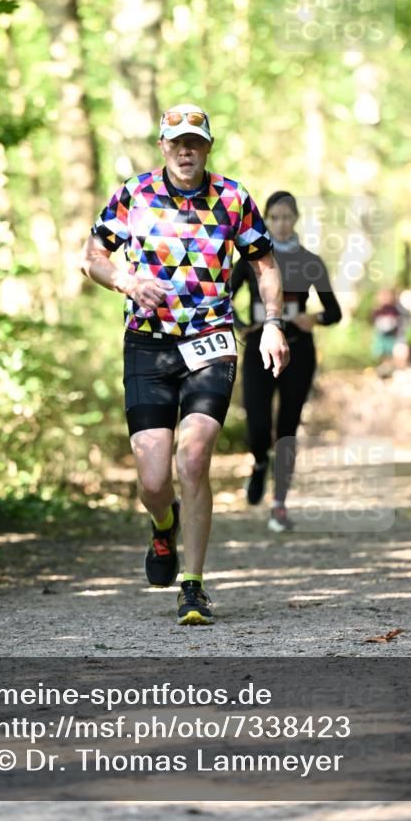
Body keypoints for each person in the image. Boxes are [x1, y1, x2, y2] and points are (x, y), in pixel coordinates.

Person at [80, 103, 289, 625]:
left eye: (195, 141)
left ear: (208, 147)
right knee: (153, 481)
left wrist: (272, 323)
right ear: (163, 147)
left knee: (193, 457)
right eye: (177, 142)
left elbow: (265, 264)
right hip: (147, 345)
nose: (186, 151)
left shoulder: (233, 198)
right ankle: (162, 525)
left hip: (211, 341)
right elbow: (93, 257)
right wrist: (126, 281)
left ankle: (192, 586)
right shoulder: (134, 194)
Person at [231, 191, 342, 531]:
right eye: (274, 218)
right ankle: (259, 462)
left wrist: (314, 318)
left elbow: (334, 311)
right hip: (259, 349)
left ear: (295, 220)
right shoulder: (251, 259)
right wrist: (242, 325)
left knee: (287, 429)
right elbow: (223, 297)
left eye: (287, 217)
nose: (281, 224)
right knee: (258, 425)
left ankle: (279, 504)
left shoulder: (310, 261)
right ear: (265, 220)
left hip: (298, 351)